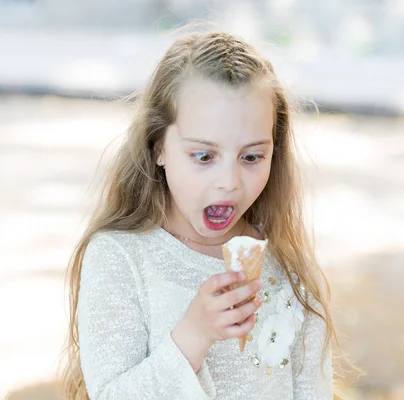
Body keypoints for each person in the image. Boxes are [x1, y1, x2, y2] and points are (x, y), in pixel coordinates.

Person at [60, 30, 339, 399]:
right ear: (158, 146)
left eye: (252, 156)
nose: (229, 182)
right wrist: (193, 336)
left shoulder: (288, 266)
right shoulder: (120, 258)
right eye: (204, 156)